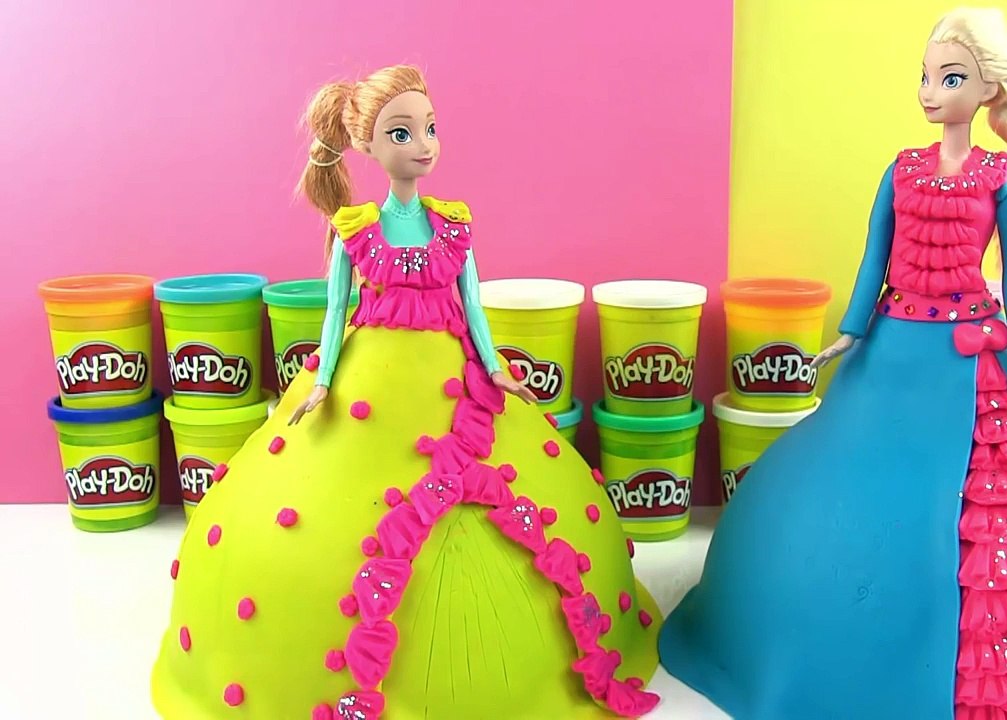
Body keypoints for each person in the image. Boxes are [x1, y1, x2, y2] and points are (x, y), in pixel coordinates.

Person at [658, 10, 1007, 719]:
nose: (931, 92)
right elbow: (875, 255)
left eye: (950, 78)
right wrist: (851, 331)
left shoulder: (1000, 179)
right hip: (895, 343)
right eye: (925, 77)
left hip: (975, 351)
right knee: (845, 492)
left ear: (989, 89)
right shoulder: (901, 170)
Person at [152, 65, 662, 720]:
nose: (422, 145)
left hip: (458, 384)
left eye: (430, 128)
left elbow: (474, 307)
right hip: (373, 376)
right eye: (402, 132)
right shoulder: (356, 231)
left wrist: (496, 366)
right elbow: (334, 314)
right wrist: (323, 381)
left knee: (512, 503)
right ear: (367, 145)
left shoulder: (454, 225)